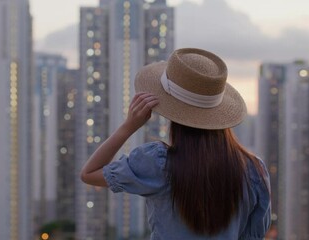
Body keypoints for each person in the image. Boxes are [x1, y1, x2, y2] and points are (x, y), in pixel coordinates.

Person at [80, 48, 271, 239]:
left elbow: (89, 174)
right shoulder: (254, 170)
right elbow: (254, 234)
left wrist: (129, 126)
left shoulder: (158, 163)